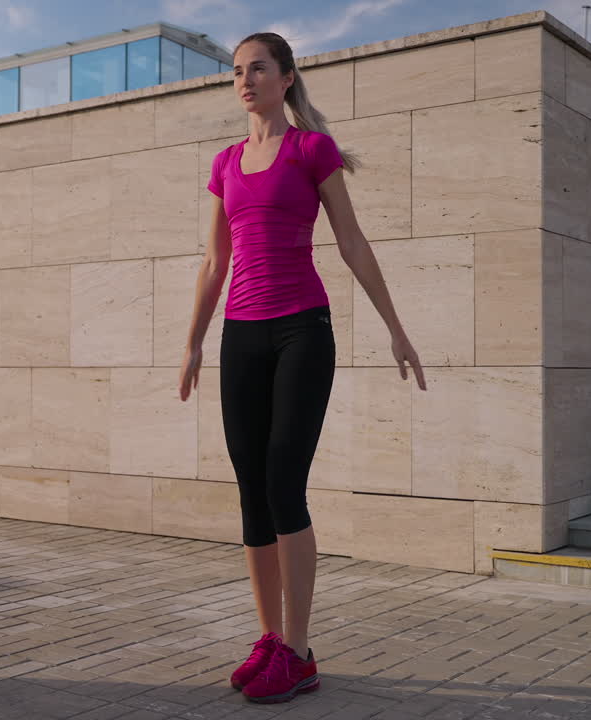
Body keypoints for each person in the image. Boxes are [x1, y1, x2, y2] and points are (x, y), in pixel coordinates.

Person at [177, 32, 428, 705]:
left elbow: (350, 240)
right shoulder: (226, 162)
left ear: (287, 78)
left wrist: (397, 330)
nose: (245, 79)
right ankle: (268, 641)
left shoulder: (309, 150)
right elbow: (213, 263)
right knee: (251, 492)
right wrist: (195, 341)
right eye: (236, 71)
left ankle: (299, 649)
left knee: (286, 485)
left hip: (301, 332)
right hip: (241, 336)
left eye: (258, 68)